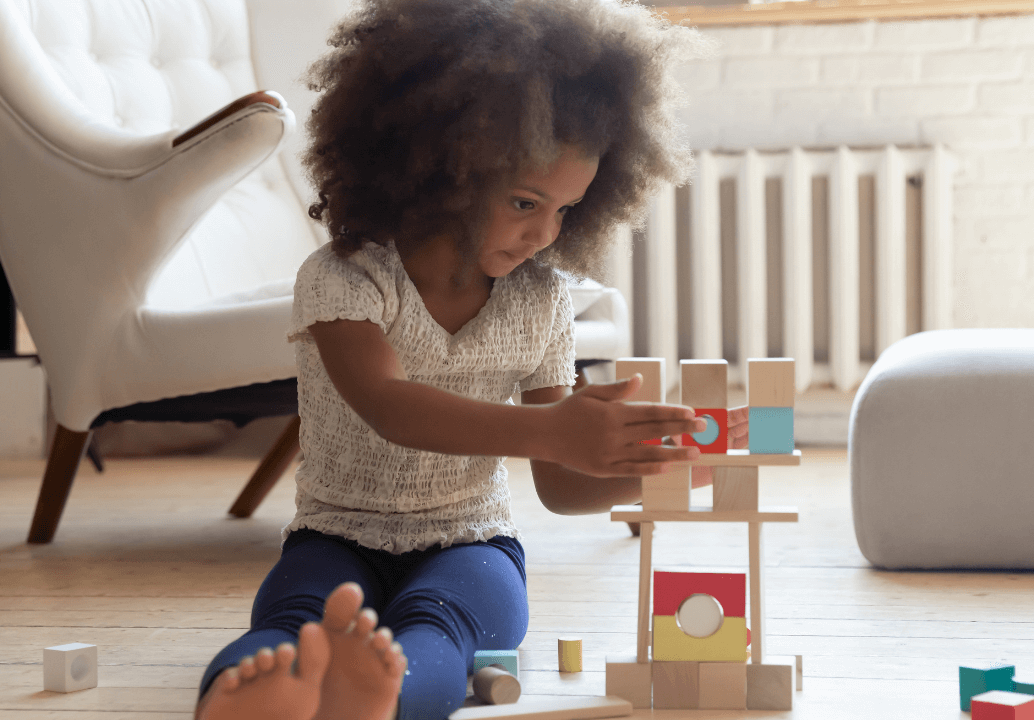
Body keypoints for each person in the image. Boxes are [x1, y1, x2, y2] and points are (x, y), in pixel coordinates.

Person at [195, 1, 724, 718]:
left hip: (472, 543)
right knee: (290, 621)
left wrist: (653, 465)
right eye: (524, 201)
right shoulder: (345, 278)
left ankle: (378, 700)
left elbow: (561, 488)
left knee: (444, 631)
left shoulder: (540, 300)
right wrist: (556, 429)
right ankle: (246, 701)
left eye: (566, 211)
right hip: (333, 535)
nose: (544, 233)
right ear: (442, 169)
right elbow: (389, 405)